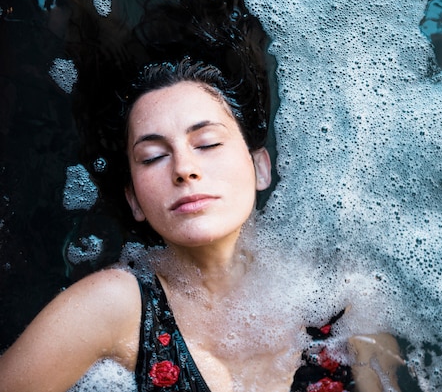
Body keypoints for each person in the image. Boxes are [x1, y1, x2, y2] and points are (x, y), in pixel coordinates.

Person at [0, 57, 404, 392]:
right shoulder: (114, 306)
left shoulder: (344, 298)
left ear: (261, 167)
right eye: (154, 156)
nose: (184, 169)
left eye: (208, 143)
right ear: (134, 200)